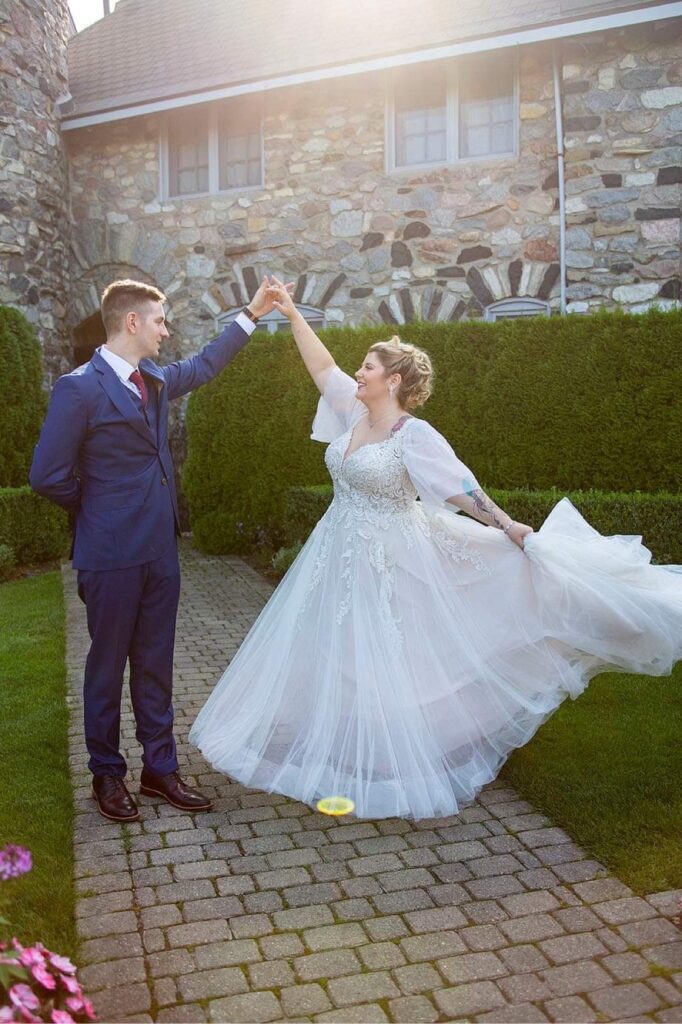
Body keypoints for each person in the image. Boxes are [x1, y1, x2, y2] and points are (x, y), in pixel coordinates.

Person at [190, 279, 682, 821]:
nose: (358, 373)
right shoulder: (353, 414)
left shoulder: (413, 434)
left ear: (393, 379)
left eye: (369, 367)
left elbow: (458, 488)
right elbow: (320, 366)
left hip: (391, 553)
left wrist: (508, 525)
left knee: (392, 651)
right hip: (337, 551)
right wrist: (286, 311)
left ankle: (399, 750)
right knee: (339, 648)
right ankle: (351, 741)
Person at [30, 276, 291, 823]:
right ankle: (107, 774)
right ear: (132, 322)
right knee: (105, 667)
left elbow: (204, 365)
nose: (165, 332)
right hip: (108, 555)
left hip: (159, 552)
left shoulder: (153, 378)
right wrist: (99, 509)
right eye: (159, 321)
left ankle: (160, 769)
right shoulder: (77, 388)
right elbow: (48, 475)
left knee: (155, 665)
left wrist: (253, 311)